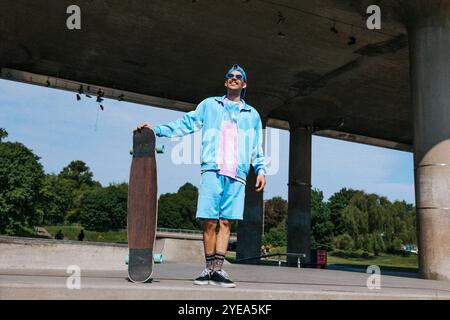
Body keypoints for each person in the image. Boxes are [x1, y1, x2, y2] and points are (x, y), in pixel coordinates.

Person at [135, 64, 266, 288]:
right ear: (226, 82)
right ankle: (207, 269)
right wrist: (156, 130)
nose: (234, 79)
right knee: (209, 221)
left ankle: (219, 270)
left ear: (244, 84)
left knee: (226, 222)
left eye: (239, 77)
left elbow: (256, 145)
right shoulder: (209, 105)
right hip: (212, 170)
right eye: (230, 76)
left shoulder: (252, 114)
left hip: (237, 174)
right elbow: (186, 124)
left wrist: (261, 169)